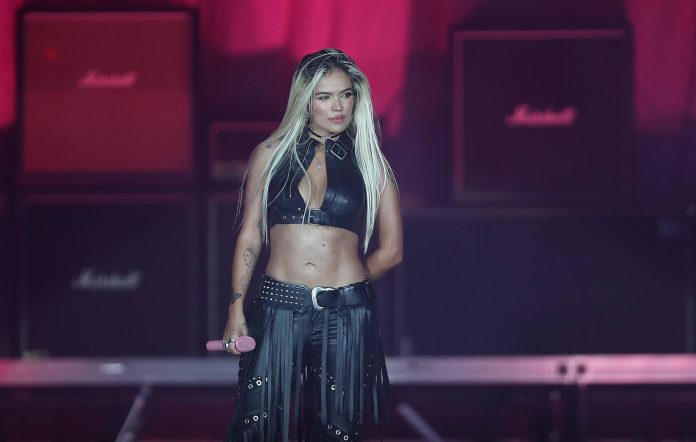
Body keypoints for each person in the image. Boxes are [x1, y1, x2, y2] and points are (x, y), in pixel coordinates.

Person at [223, 48, 403, 441]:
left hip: (346, 316)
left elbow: (392, 250)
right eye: (325, 97)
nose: (338, 106)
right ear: (305, 101)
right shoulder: (269, 155)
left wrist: (345, 288)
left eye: (345, 94)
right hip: (277, 308)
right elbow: (250, 234)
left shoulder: (371, 161)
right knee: (259, 426)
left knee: (338, 429)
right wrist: (236, 307)